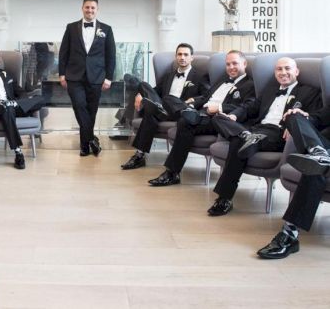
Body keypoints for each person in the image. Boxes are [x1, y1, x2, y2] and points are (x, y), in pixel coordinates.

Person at [207, 57, 321, 217]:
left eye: (287, 68)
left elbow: (314, 117)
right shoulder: (270, 89)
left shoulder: (309, 92)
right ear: (275, 73)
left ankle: (224, 197)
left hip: (277, 133)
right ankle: (244, 136)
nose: (283, 72)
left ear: (296, 71)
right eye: (279, 69)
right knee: (219, 118)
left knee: (239, 141)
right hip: (255, 129)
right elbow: (251, 107)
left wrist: (295, 125)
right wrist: (233, 115)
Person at [147, 50, 255, 187]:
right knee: (169, 99)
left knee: (185, 122)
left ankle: (171, 173)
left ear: (244, 64)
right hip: (200, 112)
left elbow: (247, 107)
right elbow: (205, 98)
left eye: (235, 63)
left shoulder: (249, 85)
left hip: (216, 118)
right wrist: (192, 102)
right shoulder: (222, 80)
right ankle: (185, 110)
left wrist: (220, 108)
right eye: (228, 64)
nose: (231, 67)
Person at [257, 104, 330, 259]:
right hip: (325, 146)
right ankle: (318, 152)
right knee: (293, 116)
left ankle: (289, 234)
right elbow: (319, 118)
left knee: (315, 167)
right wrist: (305, 116)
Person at [121, 43, 209, 170]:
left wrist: (193, 101)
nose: (182, 57)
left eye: (186, 55)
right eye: (179, 54)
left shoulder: (199, 77)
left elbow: (206, 95)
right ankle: (139, 156)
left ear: (191, 58)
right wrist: (140, 95)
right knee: (144, 87)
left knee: (165, 100)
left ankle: (155, 109)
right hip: (164, 110)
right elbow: (155, 91)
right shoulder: (169, 75)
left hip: (181, 111)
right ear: (175, 57)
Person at [58, 0, 116, 156]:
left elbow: (111, 56)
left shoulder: (107, 29)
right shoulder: (71, 28)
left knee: (92, 110)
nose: (89, 10)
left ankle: (85, 145)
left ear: (97, 10)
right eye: (87, 7)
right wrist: (62, 74)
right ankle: (90, 140)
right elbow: (64, 52)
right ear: (82, 8)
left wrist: (109, 77)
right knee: (79, 106)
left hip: (97, 77)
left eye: (93, 8)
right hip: (74, 75)